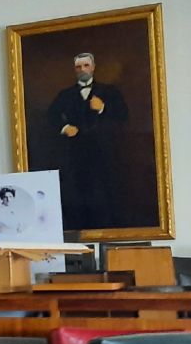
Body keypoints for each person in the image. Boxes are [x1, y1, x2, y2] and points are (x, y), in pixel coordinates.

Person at [46, 51, 129, 230]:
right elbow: (50, 118)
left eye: (86, 65)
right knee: (78, 196)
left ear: (93, 67)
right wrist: (65, 128)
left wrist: (103, 108)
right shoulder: (65, 95)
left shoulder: (109, 92)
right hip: (75, 157)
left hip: (104, 155)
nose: (82, 69)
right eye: (78, 66)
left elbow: (123, 117)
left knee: (105, 195)